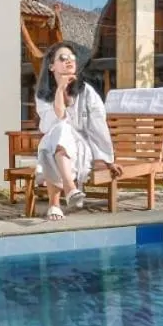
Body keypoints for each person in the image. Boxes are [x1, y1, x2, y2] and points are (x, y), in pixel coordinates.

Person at [34, 42, 121, 220]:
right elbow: (55, 120)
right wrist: (60, 89)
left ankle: (55, 203)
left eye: (72, 59)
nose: (69, 62)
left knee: (51, 144)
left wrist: (107, 159)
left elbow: (98, 126)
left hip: (81, 148)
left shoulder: (87, 92)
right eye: (63, 58)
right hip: (55, 143)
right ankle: (70, 188)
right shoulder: (42, 95)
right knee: (57, 134)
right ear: (51, 66)